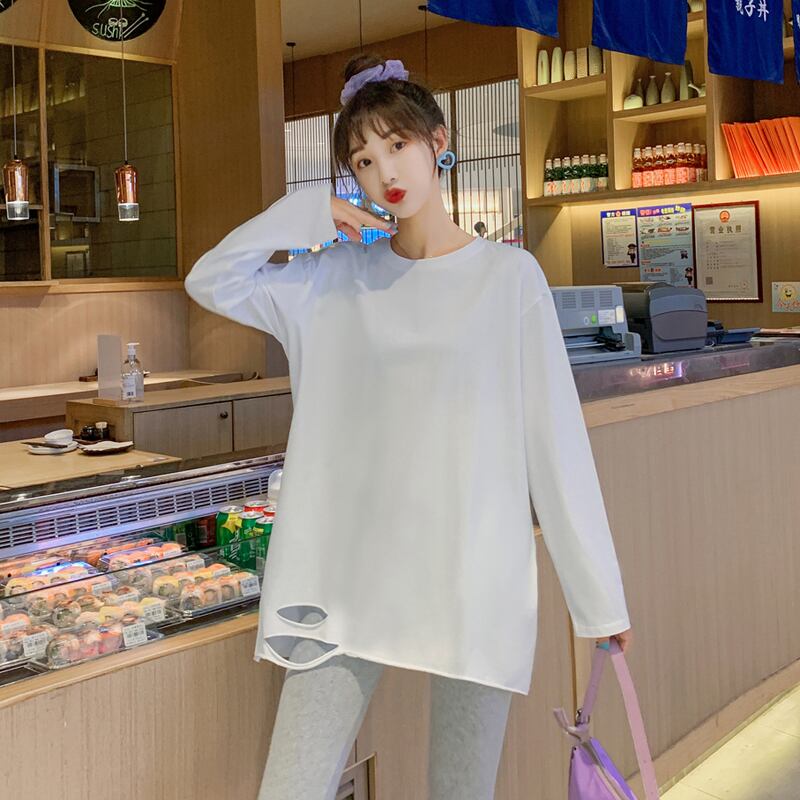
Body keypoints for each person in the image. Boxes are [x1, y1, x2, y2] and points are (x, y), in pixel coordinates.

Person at [185, 53, 633, 800]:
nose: (384, 171)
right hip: (348, 574)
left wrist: (599, 598)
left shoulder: (508, 279)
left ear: (438, 141)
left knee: (460, 791)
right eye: (363, 160)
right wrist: (306, 214)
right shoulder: (332, 278)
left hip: (469, 571)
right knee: (289, 788)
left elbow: (554, 443)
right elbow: (211, 280)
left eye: (397, 144)